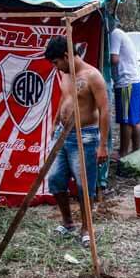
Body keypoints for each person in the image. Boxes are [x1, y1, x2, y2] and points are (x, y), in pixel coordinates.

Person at [44, 36, 109, 247]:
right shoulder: (65, 74)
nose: (55, 67)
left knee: (84, 186)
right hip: (63, 134)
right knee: (54, 179)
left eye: (56, 62)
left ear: (66, 56)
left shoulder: (92, 76)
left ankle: (86, 228)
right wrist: (55, 122)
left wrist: (102, 146)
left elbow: (105, 109)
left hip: (86, 136)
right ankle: (68, 222)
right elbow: (65, 98)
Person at [110, 25, 140, 158]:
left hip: (126, 83)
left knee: (125, 120)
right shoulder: (120, 33)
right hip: (134, 81)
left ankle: (123, 153)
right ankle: (137, 151)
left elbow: (114, 59)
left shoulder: (114, 34)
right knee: (134, 120)